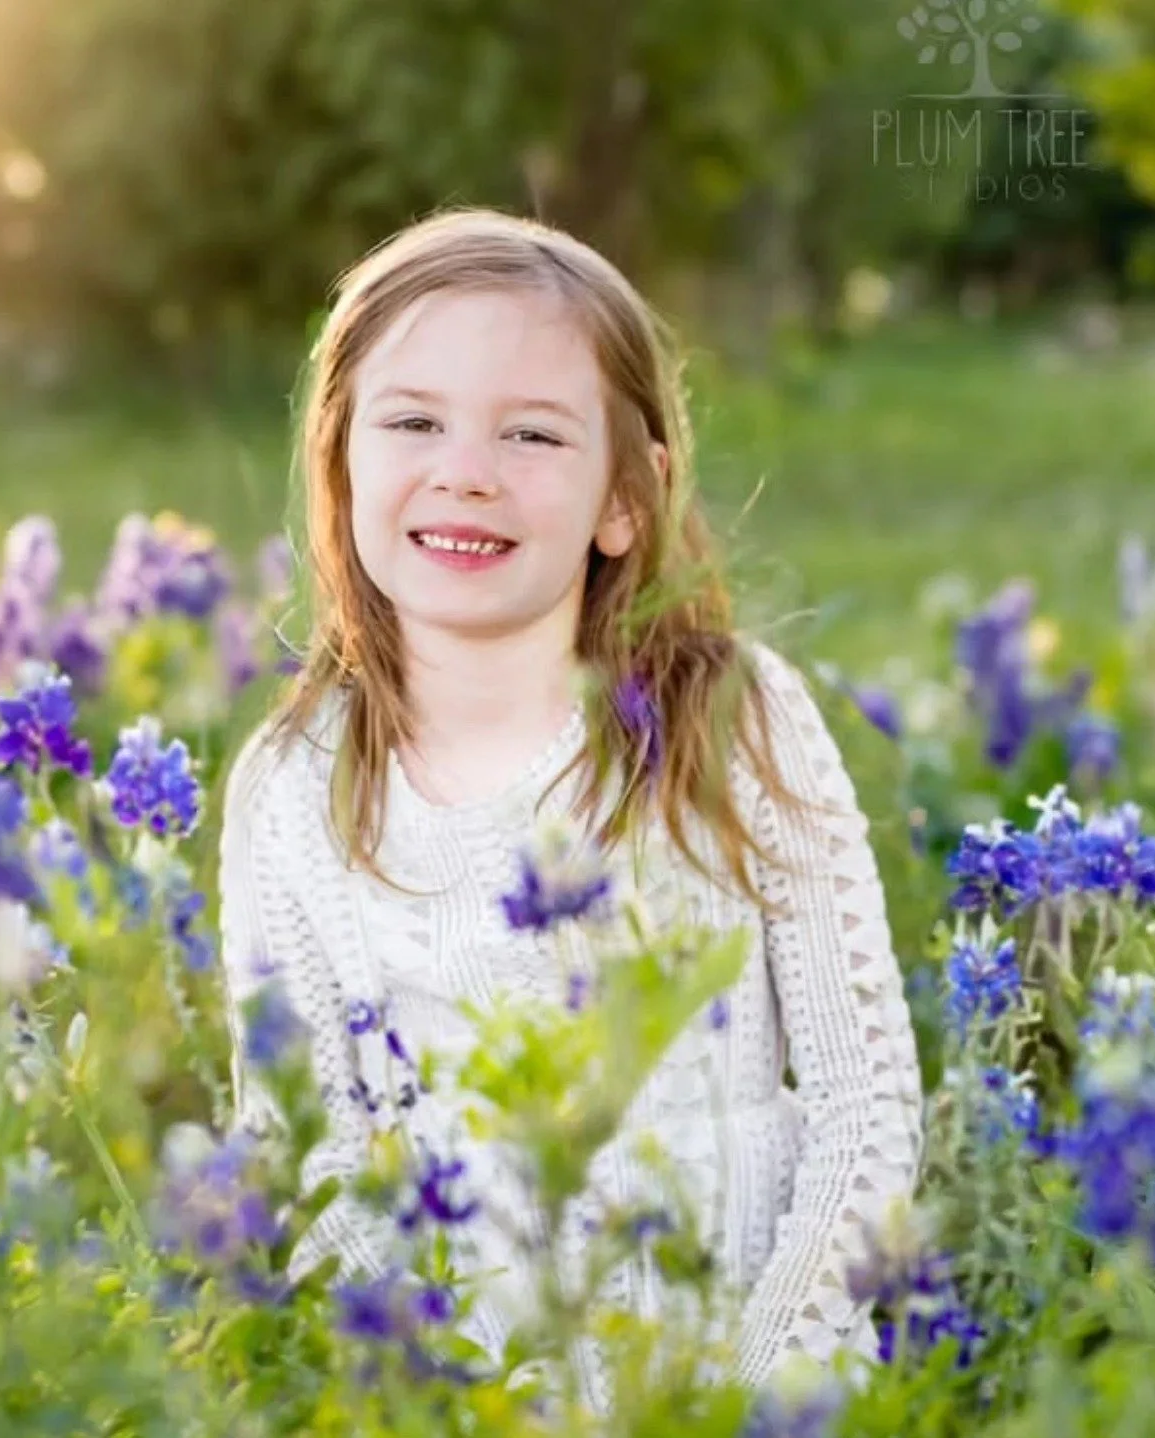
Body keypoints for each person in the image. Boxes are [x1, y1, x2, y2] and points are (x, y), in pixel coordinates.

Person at [217, 206, 924, 1398]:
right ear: (339, 461)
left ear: (627, 499)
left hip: (738, 1382)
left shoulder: (732, 720)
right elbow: (305, 1154)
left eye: (533, 435)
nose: (466, 472)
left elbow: (865, 1109)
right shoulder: (294, 785)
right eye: (413, 421)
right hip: (455, 1396)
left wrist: (760, 1401)